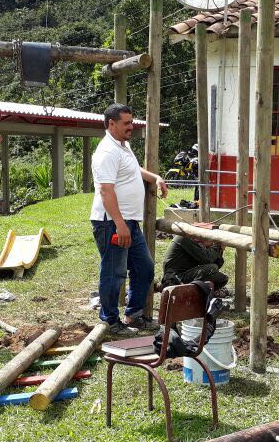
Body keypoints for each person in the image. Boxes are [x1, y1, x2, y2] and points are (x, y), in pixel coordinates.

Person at [90, 103, 168, 335]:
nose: (131, 127)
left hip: (128, 223)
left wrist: (155, 177)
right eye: (126, 123)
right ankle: (110, 321)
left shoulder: (123, 147)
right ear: (111, 124)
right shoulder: (107, 152)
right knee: (114, 272)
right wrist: (120, 224)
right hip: (112, 222)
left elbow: (133, 169)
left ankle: (134, 315)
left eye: (132, 122)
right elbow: (106, 191)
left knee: (144, 268)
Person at [161, 233, 228, 291]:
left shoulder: (193, 241)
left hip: (183, 275)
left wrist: (219, 250)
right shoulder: (183, 238)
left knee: (222, 279)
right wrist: (217, 246)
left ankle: (198, 294)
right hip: (175, 279)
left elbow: (217, 263)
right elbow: (207, 259)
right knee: (211, 268)